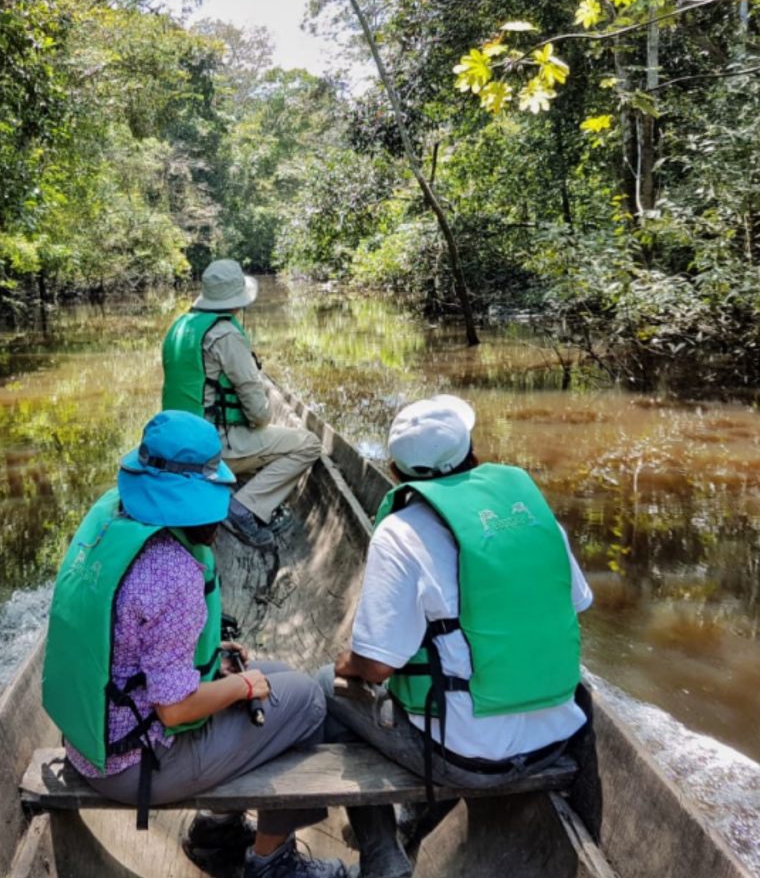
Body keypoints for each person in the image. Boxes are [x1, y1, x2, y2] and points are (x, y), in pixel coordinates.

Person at [42, 410, 347, 878]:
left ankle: (217, 833)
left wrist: (224, 667)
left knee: (279, 676)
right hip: (137, 762)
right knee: (307, 703)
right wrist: (244, 687)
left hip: (91, 739)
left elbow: (138, 653)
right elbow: (176, 710)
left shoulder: (108, 516)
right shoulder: (174, 571)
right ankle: (272, 863)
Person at [317, 394, 594, 878]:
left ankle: (382, 855)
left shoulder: (402, 530)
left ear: (396, 472)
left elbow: (378, 666)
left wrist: (345, 665)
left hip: (467, 759)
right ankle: (412, 824)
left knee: (328, 690)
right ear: (474, 452)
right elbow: (576, 601)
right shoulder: (528, 509)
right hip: (557, 739)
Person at [161, 258, 321, 550]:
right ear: (238, 300)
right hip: (210, 447)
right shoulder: (226, 334)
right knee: (308, 444)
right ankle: (243, 507)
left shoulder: (180, 327)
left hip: (171, 445)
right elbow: (259, 414)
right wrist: (262, 414)